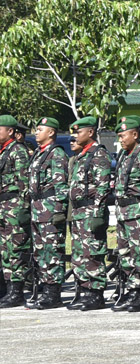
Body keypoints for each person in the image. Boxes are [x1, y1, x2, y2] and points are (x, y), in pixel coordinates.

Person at [111, 116, 140, 312]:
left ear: (135, 134)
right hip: (123, 213)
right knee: (126, 253)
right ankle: (132, 289)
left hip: (138, 213)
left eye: (123, 135)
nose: (120, 139)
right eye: (119, 136)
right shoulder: (124, 154)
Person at [66, 116, 112, 311]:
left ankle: (96, 293)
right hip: (78, 211)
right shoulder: (81, 156)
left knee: (93, 253)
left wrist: (97, 214)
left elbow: (102, 188)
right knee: (80, 253)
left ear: (90, 132)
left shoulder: (98, 154)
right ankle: (85, 290)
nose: (76, 136)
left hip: (90, 212)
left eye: (79, 132)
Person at [24, 117, 69, 309]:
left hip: (50, 210)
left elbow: (61, 186)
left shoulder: (56, 154)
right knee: (40, 251)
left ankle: (53, 292)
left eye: (40, 129)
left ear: (51, 132)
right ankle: (45, 287)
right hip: (37, 209)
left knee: (52, 250)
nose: (36, 132)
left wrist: (59, 211)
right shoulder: (38, 154)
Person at [0, 115, 32, 308]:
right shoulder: (3, 152)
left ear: (10, 131)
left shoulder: (18, 151)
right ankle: (6, 288)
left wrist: (23, 209)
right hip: (3, 207)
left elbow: (24, 183)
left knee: (16, 249)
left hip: (14, 207)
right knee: (5, 250)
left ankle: (17, 292)